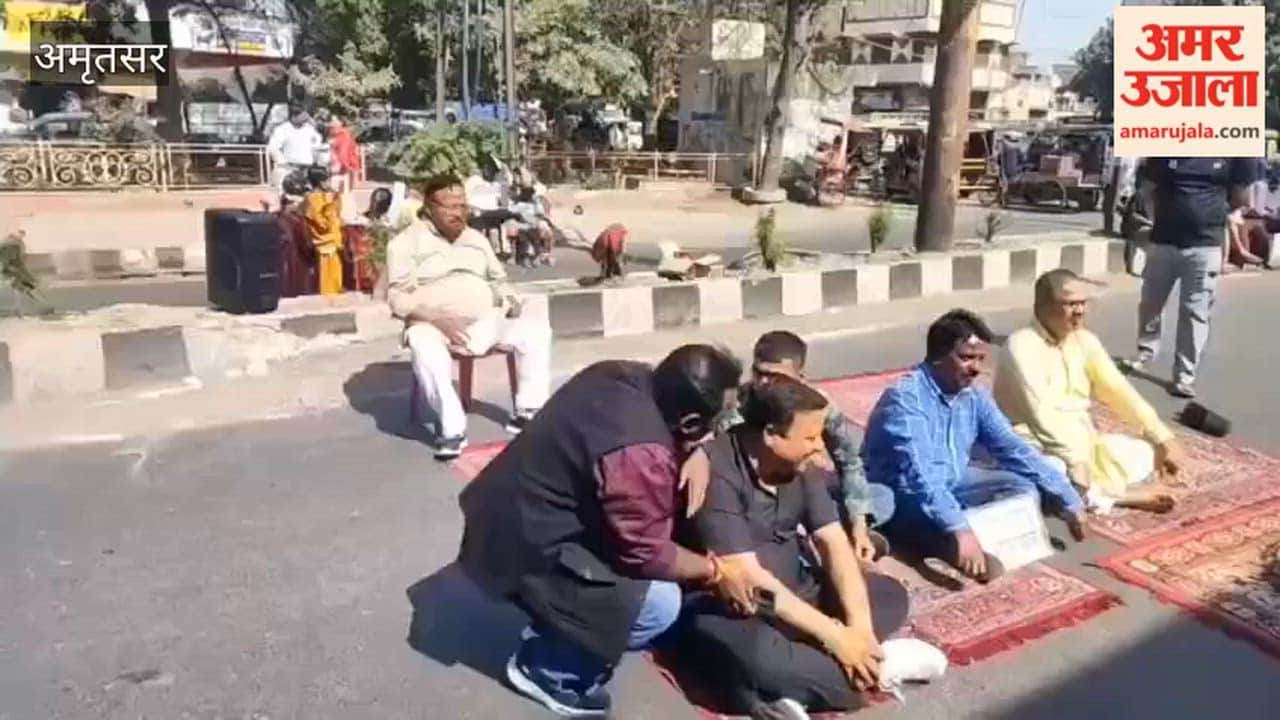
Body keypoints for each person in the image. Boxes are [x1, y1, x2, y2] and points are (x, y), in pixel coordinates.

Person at [457, 345, 758, 718]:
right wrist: (716, 572)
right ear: (691, 422)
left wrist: (696, 452)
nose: (717, 430)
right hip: (523, 545)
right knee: (658, 604)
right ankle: (547, 669)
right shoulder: (641, 456)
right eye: (714, 422)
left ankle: (560, 623)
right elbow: (647, 555)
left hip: (509, 513)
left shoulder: (622, 375)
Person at [671, 377, 911, 719]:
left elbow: (833, 542)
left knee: (889, 595)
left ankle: (830, 671)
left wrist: (859, 629)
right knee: (757, 659)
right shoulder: (718, 470)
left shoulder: (801, 466)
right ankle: (870, 672)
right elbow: (749, 577)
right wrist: (836, 637)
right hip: (738, 609)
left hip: (800, 595)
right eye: (810, 438)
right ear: (771, 434)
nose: (819, 448)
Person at [862, 309, 1086, 583]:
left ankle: (955, 537)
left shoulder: (972, 396)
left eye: (980, 359)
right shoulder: (906, 400)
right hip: (903, 491)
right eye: (967, 358)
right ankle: (935, 541)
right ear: (938, 357)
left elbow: (1012, 447)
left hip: (952, 481)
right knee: (905, 509)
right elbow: (920, 475)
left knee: (1021, 487)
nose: (976, 368)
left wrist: (1066, 495)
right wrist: (960, 528)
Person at [683, 331, 893, 564]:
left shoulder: (818, 407)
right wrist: (703, 452)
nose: (763, 382)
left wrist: (859, 526)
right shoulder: (739, 406)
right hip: (757, 503)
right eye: (759, 373)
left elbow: (849, 462)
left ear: (800, 376)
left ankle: (844, 537)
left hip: (807, 490)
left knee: (882, 497)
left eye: (774, 376)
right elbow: (721, 454)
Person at [385, 175, 552, 459]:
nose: (458, 213)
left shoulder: (476, 240)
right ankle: (451, 429)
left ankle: (528, 411)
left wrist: (509, 301)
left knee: (535, 331)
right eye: (449, 206)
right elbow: (397, 297)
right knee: (423, 346)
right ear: (428, 208)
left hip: (485, 322)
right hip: (433, 326)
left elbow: (499, 280)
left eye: (462, 206)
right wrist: (436, 319)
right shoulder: (405, 243)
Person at [994, 270, 1186, 516]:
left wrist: (1162, 436)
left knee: (1142, 452)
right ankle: (1117, 497)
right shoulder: (1021, 344)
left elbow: (1119, 391)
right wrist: (1075, 460)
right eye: (1070, 304)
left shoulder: (1085, 341)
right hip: (1035, 442)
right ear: (1041, 306)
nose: (1080, 311)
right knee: (1049, 472)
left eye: (1083, 303)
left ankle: (1091, 490)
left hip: (1083, 441)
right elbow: (1040, 415)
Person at [1125, 157, 1260, 398]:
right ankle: (1145, 351)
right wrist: (1159, 219)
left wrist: (1213, 214)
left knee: (1194, 311)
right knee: (1151, 302)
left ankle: (1184, 376)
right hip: (1163, 242)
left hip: (1204, 245)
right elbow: (1148, 189)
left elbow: (1242, 198)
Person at [302, 166, 344, 296]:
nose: (329, 184)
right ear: (321, 182)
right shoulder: (313, 199)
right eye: (327, 180)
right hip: (325, 247)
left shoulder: (325, 197)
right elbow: (323, 224)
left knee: (336, 280)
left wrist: (336, 198)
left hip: (333, 243)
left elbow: (336, 213)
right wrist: (331, 203)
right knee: (328, 284)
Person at [267, 106, 323, 194]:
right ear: (293, 116)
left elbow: (317, 144)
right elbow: (273, 147)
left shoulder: (310, 129)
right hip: (289, 169)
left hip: (306, 169)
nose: (305, 119)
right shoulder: (282, 129)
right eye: (302, 116)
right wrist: (281, 161)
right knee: (286, 195)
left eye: (306, 117)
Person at [327, 115, 362, 193]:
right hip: (343, 166)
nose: (331, 123)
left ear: (340, 123)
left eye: (334, 121)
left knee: (342, 193)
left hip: (345, 167)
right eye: (331, 121)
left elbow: (344, 154)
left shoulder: (343, 136)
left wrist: (346, 167)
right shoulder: (336, 135)